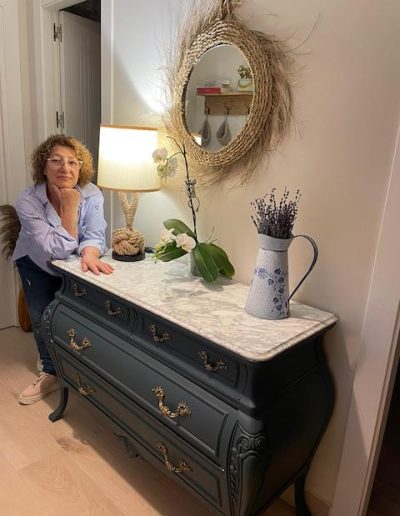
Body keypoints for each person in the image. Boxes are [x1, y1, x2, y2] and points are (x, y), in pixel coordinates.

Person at [11, 134, 113, 405]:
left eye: (72, 162)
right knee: (41, 316)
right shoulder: (28, 199)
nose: (65, 168)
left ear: (81, 168)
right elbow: (55, 250)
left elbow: (95, 234)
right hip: (35, 263)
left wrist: (90, 252)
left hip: (72, 266)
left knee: (74, 317)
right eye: (56, 161)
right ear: (43, 167)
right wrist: (70, 205)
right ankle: (50, 371)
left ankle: (74, 364)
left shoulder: (92, 193)